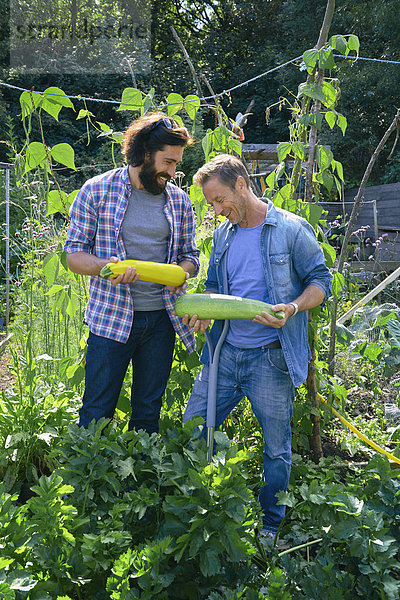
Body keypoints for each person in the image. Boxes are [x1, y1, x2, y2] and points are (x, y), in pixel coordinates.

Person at [181, 154, 332, 536]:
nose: (215, 211)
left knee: (276, 448)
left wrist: (294, 306)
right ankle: (201, 506)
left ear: (242, 185)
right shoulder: (223, 236)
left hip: (271, 358)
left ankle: (270, 524)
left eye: (219, 200)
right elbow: (215, 287)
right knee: (194, 428)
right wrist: (203, 313)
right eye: (210, 204)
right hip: (225, 353)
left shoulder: (291, 230)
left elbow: (321, 282)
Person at [65, 112, 200, 434]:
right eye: (168, 162)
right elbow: (74, 255)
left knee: (147, 411)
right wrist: (106, 268)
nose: (173, 171)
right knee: (97, 408)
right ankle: (90, 478)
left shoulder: (179, 201)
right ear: (143, 153)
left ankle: (141, 479)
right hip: (110, 318)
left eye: (176, 163)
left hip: (160, 321)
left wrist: (182, 272)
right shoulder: (96, 191)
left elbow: (190, 256)